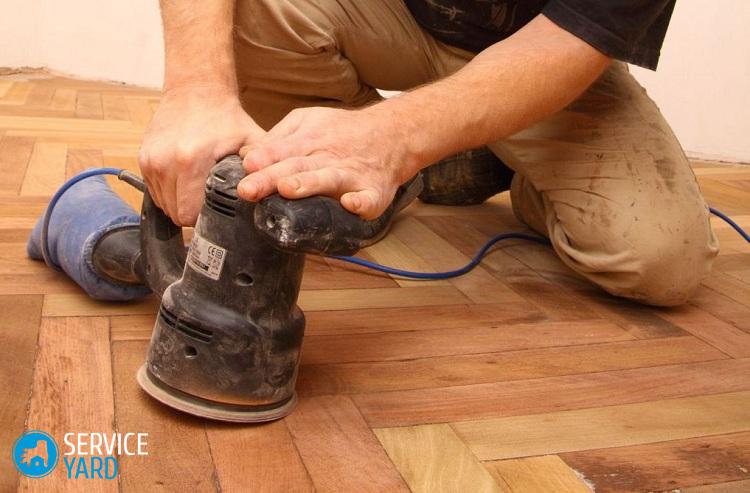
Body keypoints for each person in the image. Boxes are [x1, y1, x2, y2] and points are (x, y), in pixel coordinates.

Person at [139, 0, 718, 306]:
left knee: (659, 259)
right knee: (255, 13)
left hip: (534, 51)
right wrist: (196, 88)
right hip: (384, 12)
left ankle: (512, 168)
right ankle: (439, 162)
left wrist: (392, 137)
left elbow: (577, 35)